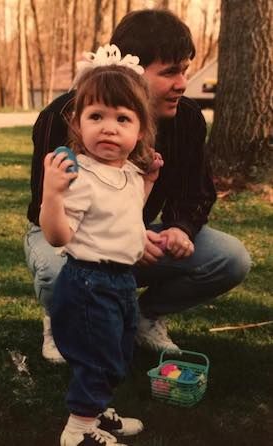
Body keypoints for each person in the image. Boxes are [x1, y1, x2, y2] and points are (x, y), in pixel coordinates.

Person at [24, 8, 251, 363]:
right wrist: (126, 232)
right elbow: (50, 203)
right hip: (65, 236)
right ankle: (61, 320)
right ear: (133, 71)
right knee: (56, 269)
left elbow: (196, 192)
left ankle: (145, 316)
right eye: (170, 72)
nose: (182, 83)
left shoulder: (188, 120)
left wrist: (180, 227)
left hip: (137, 237)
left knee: (230, 257)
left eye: (185, 70)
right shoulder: (63, 115)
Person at [40, 50, 162, 446]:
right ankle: (78, 431)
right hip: (88, 283)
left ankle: (97, 412)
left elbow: (127, 213)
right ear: (77, 124)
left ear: (141, 130)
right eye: (97, 117)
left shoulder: (127, 172)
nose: (109, 128)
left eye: (122, 118)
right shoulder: (80, 176)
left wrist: (149, 182)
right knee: (97, 357)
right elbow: (59, 236)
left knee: (115, 355)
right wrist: (53, 194)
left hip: (121, 283)